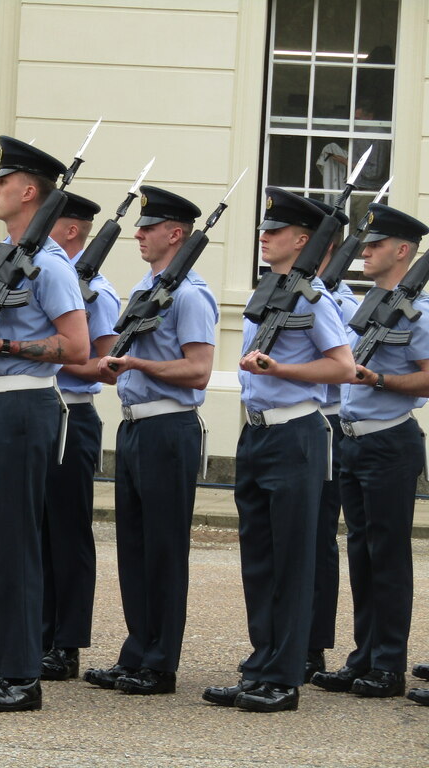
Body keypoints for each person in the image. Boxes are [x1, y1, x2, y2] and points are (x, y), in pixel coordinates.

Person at [0, 136, 89, 712]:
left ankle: (23, 674)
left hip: (25, 404)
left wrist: (5, 343)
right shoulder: (9, 258)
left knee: (17, 540)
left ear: (30, 191)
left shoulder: (49, 263)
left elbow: (77, 346)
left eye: (2, 182)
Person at [204, 188, 352, 712]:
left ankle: (284, 678)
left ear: (303, 240)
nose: (263, 238)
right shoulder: (269, 290)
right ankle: (261, 665)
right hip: (258, 433)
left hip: (296, 432)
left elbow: (342, 367)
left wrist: (282, 370)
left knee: (291, 558)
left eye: (273, 232)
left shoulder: (314, 298)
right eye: (263, 231)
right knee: (259, 558)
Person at [86, 187, 217, 696]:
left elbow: (199, 370)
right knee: (134, 548)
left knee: (163, 548)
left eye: (149, 227)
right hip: (135, 425)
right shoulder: (149, 287)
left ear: (176, 234)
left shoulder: (190, 293)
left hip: (168, 428)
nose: (138, 234)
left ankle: (160, 662)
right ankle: (136, 652)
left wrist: (137, 363)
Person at [311, 204, 429, 699]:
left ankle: (388, 664)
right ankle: (363, 657)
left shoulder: (419, 311)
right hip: (352, 440)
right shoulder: (365, 306)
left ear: (402, 251)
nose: (364, 251)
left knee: (388, 555)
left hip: (389, 440)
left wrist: (378, 378)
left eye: (375, 245)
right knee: (360, 552)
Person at [39, 192, 118, 681]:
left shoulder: (97, 293)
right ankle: (39, 630)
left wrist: (40, 354)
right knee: (36, 531)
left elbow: (104, 366)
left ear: (71, 231)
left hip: (72, 414)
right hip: (36, 410)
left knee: (65, 532)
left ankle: (65, 643)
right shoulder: (37, 275)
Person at [307, 200, 359, 682]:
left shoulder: (338, 303)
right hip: (296, 425)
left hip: (326, 427)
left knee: (319, 538)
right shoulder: (289, 293)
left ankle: (312, 644)